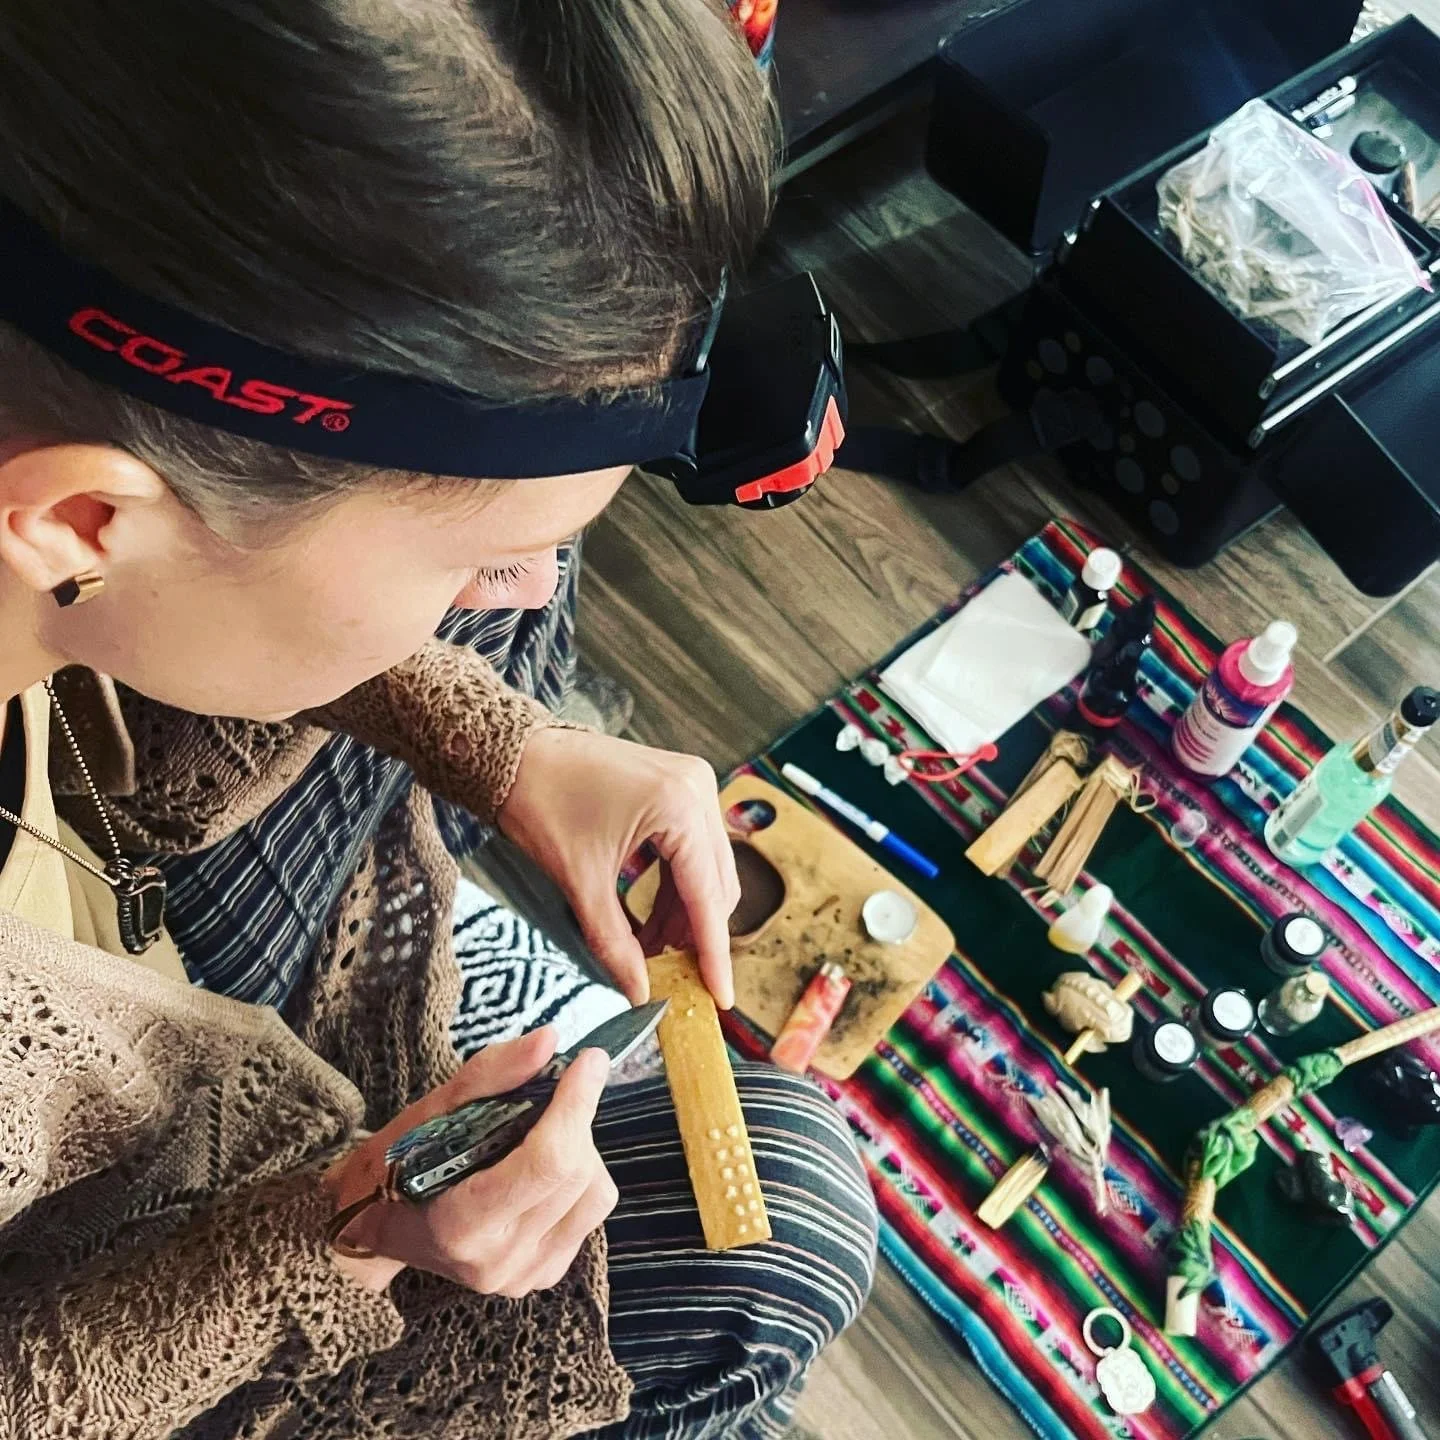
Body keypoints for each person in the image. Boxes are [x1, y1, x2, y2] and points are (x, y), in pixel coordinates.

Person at [0, 2, 877, 1437]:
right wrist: (344, 1231)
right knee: (792, 1215)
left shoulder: (68, 513)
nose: (516, 591)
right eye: (479, 559)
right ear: (86, 518)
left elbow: (176, 588)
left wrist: (515, 749)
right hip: (117, 1283)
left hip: (141, 865)